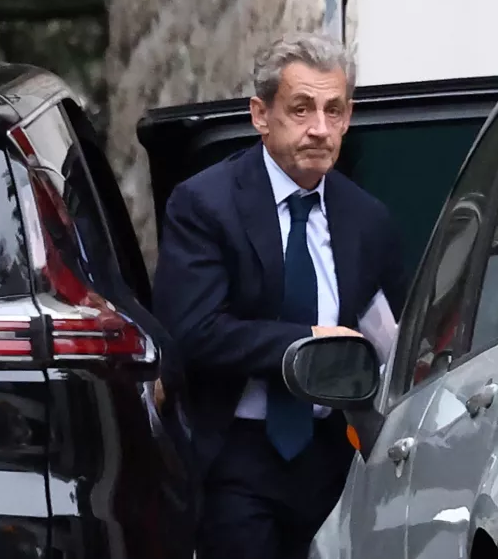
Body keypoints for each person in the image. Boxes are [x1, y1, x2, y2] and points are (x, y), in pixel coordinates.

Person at [151, 32, 408, 559]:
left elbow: (396, 335)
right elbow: (192, 332)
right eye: (301, 108)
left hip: (337, 458)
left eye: (334, 111)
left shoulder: (367, 219)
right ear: (260, 115)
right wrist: (309, 345)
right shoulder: (205, 204)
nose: (320, 129)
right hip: (237, 454)